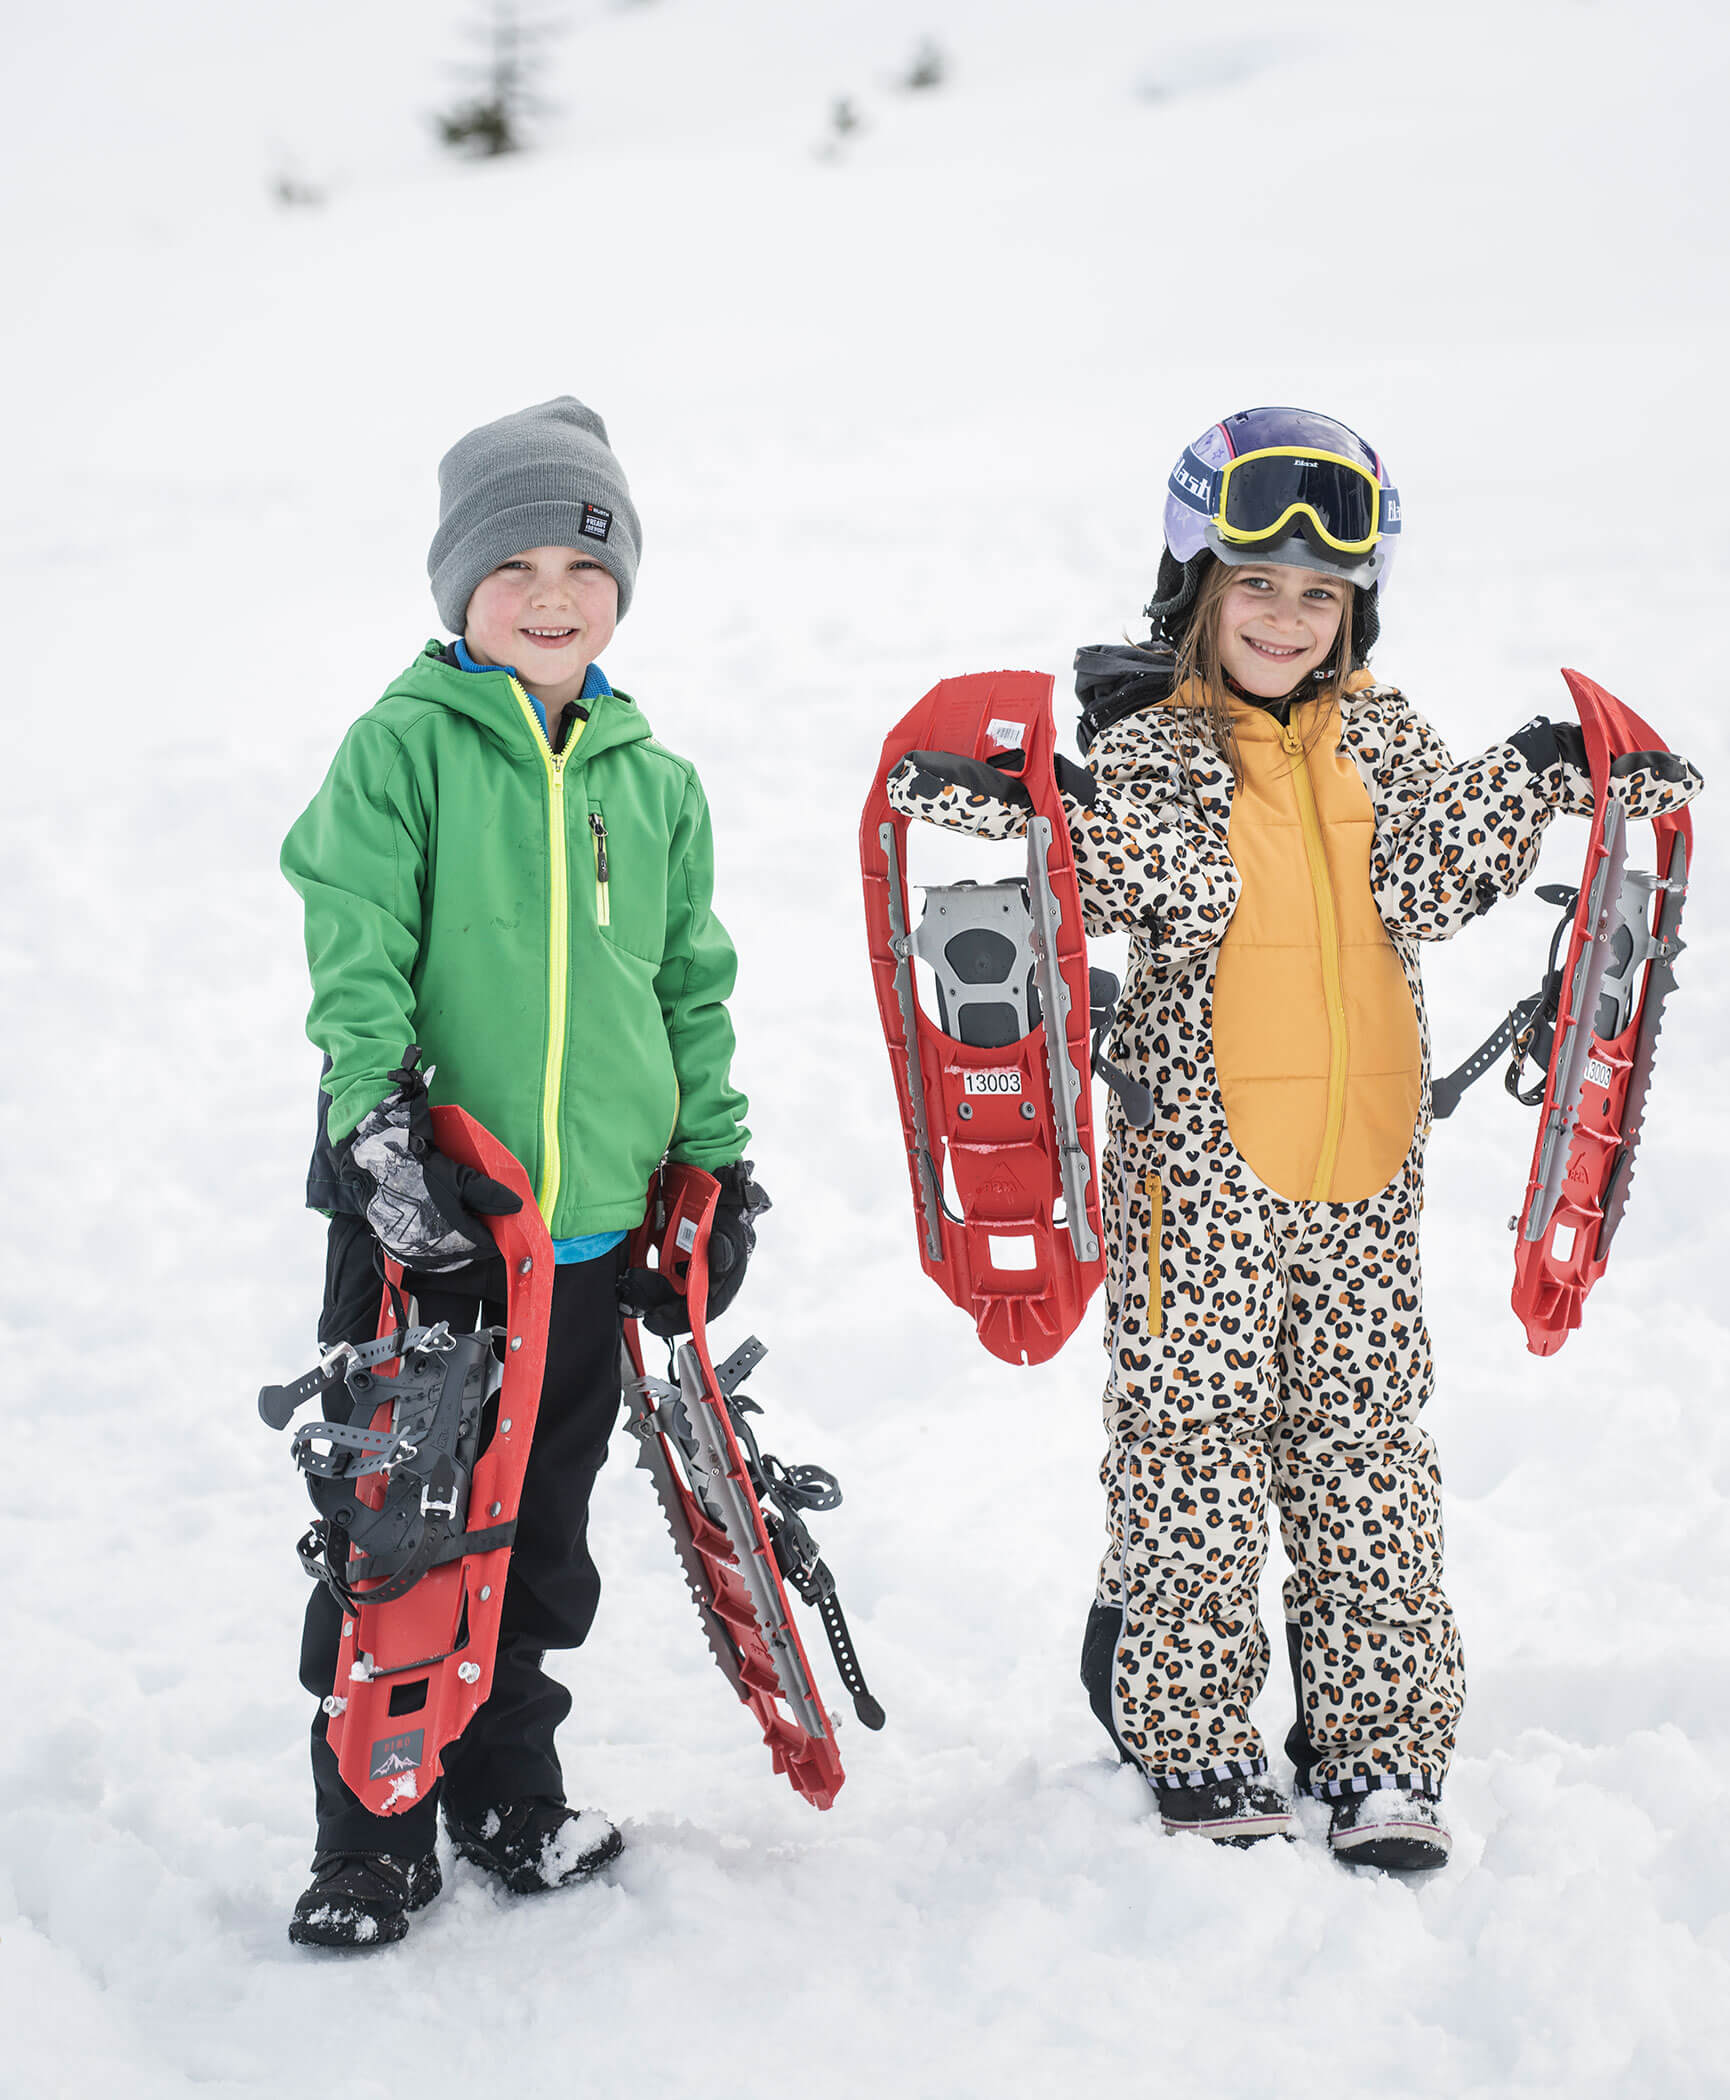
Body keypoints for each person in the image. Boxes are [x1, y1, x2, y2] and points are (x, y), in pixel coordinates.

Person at [887, 406, 1701, 1869]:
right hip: (1191, 1177)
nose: (1284, 618)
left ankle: (1380, 1749)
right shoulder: (1153, 738)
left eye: (1319, 595)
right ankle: (1192, 1728)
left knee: (1363, 1451)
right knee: (1190, 1450)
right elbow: (1157, 881)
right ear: (1193, 582)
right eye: (1254, 585)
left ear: (1355, 609)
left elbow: (1434, 879)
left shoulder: (1376, 728)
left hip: (1364, 1171)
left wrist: (1539, 768)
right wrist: (1047, 809)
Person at [278, 396, 767, 1947]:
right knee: (401, 1528)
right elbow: (351, 939)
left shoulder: (655, 779)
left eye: (584, 562)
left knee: (541, 1528)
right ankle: (370, 1829)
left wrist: (717, 1162)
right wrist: (374, 1118)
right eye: (515, 565)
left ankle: (505, 1784)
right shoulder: (405, 747)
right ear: (458, 588)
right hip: (432, 1220)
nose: (551, 594)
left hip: (595, 1231)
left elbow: (689, 983)